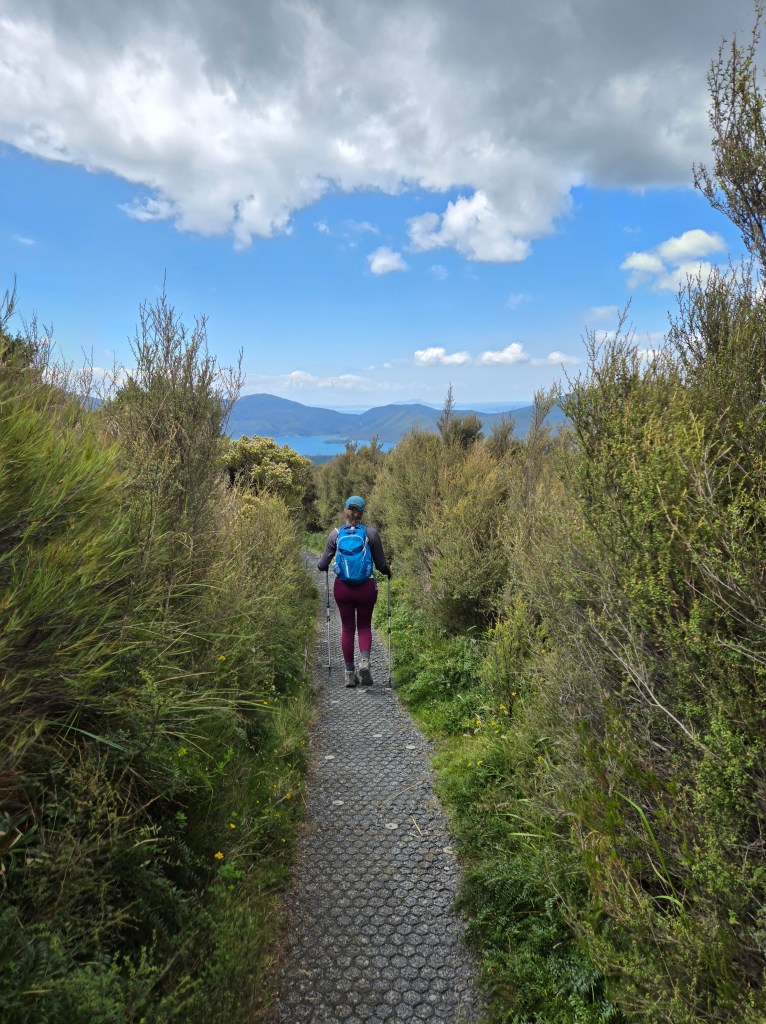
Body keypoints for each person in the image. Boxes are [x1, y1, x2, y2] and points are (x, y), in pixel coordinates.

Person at [317, 495, 392, 688]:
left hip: (343, 589)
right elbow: (381, 565)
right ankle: (364, 661)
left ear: (345, 511)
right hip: (366, 587)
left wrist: (325, 561)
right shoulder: (371, 533)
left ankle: (349, 674)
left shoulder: (336, 534)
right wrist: (388, 571)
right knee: (364, 626)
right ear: (362, 512)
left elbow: (322, 565)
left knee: (347, 628)